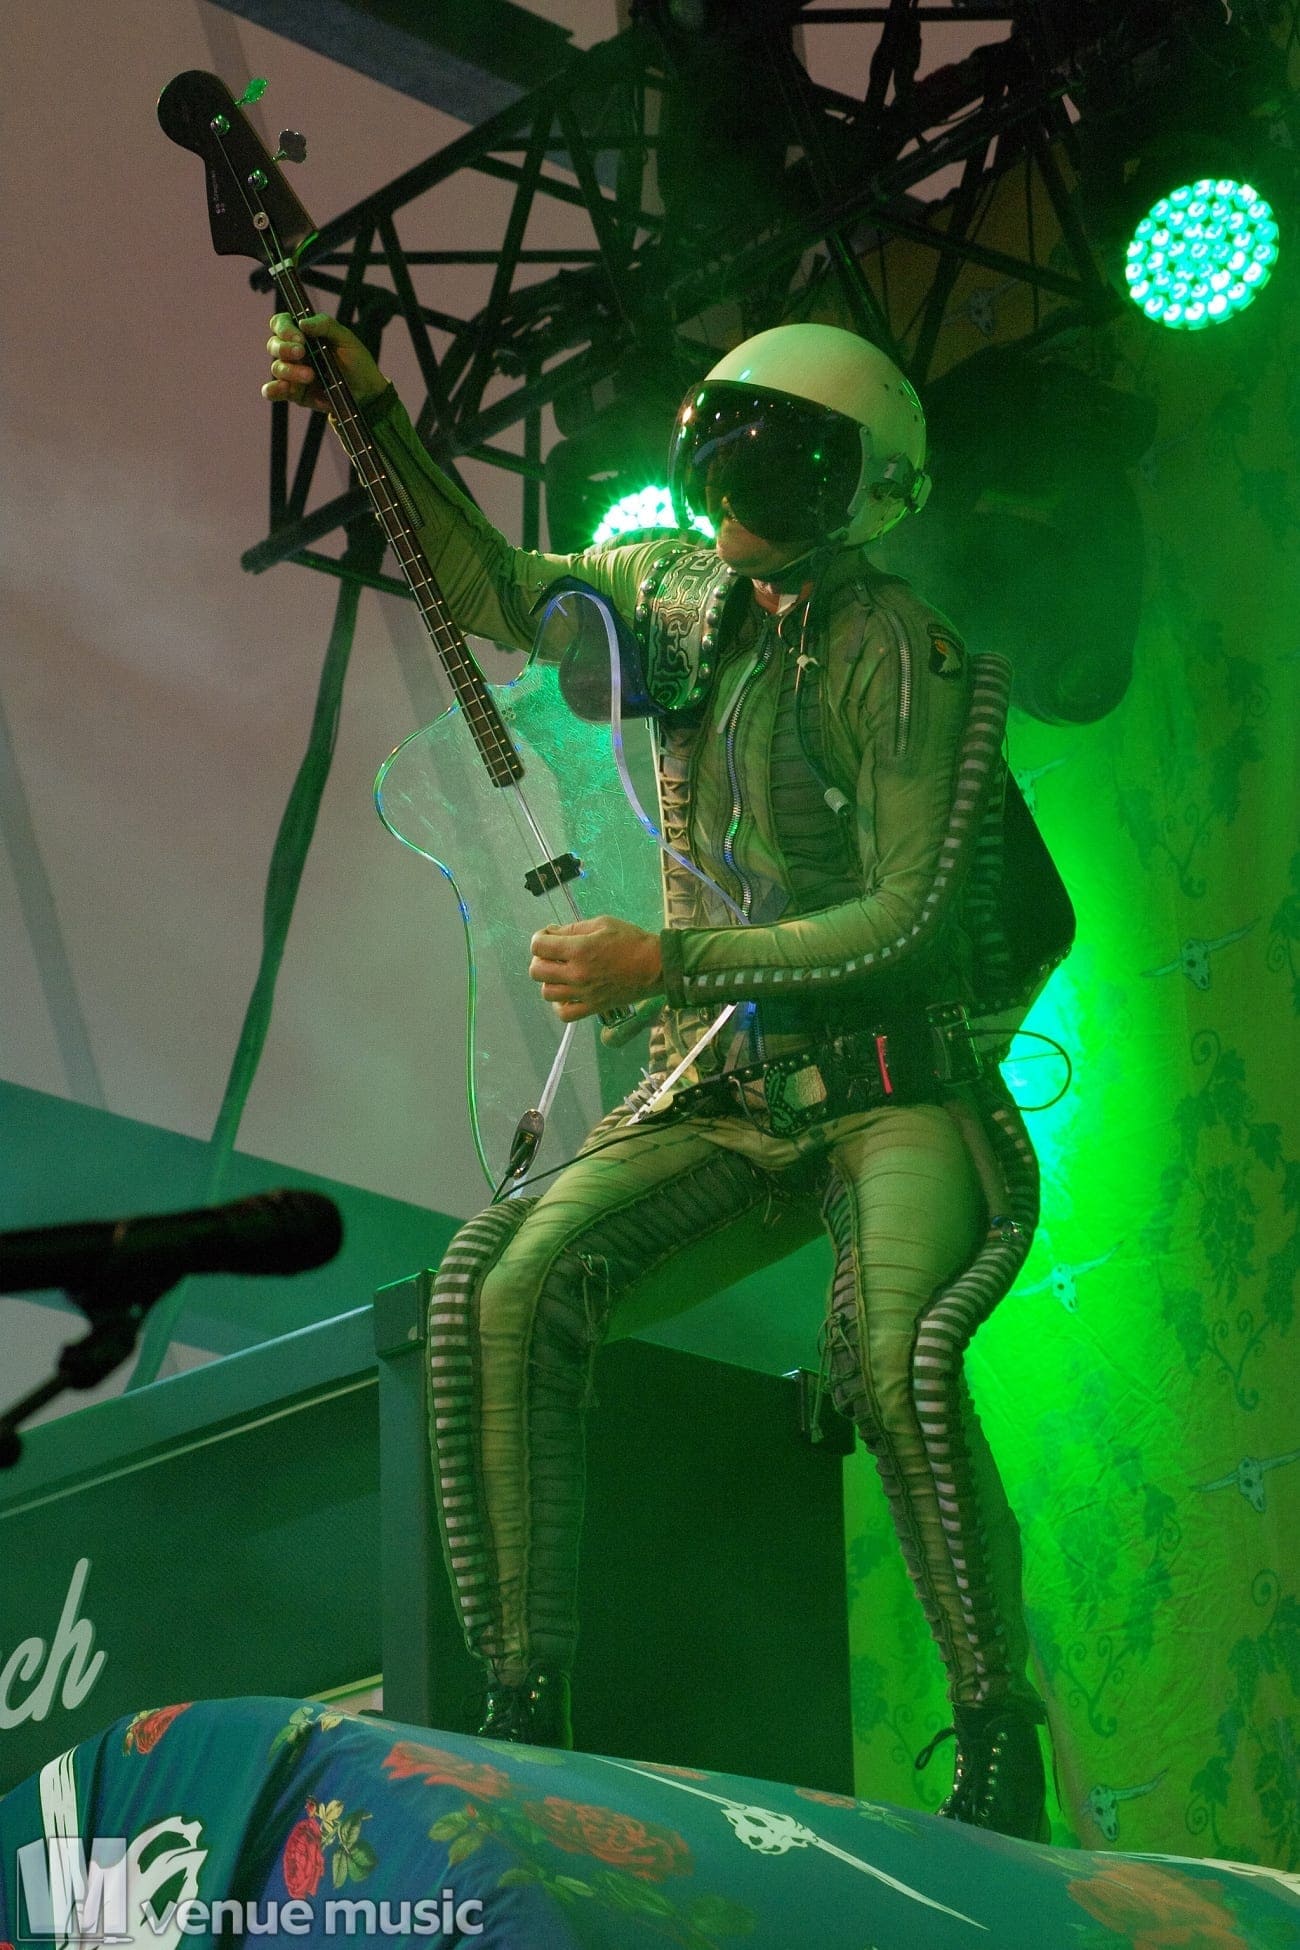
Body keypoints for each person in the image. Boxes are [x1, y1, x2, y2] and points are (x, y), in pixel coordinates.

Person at [264, 312, 1073, 1842]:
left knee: (896, 1358)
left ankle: (995, 1733)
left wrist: (666, 962)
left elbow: (905, 921)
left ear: (859, 489)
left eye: (780, 460)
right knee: (497, 1283)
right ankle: (526, 1711)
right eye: (729, 449)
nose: (740, 485)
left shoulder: (905, 649)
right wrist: (376, 412)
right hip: (734, 1089)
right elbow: (494, 587)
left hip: (895, 1085)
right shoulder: (678, 592)